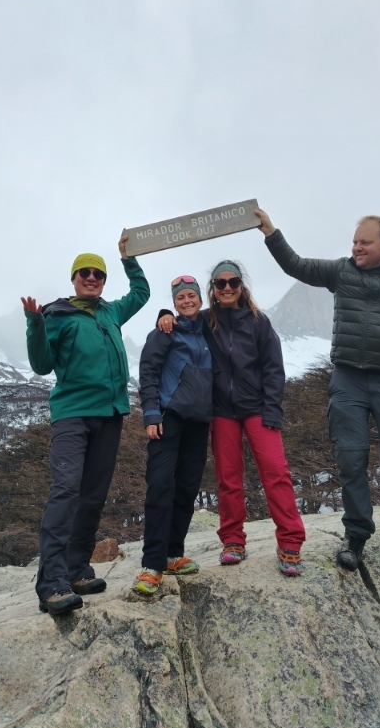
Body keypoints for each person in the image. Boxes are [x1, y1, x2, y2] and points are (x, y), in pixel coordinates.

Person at [253, 208, 380, 588]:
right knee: (351, 460)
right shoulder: (342, 271)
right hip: (347, 380)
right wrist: (271, 232)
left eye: (364, 243)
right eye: (354, 241)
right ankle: (356, 535)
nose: (356, 248)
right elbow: (296, 265)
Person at [22, 232, 150, 615]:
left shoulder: (111, 312)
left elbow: (141, 293)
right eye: (84, 273)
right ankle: (51, 583)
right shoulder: (57, 314)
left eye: (98, 274)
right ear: (74, 278)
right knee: (66, 490)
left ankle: (77, 570)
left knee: (93, 495)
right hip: (73, 414)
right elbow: (42, 364)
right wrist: (34, 325)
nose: (92, 278)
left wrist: (129, 260)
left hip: (110, 414)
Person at [159, 261, 306, 575]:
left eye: (233, 282)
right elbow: (181, 318)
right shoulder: (204, 320)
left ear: (242, 286)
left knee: (276, 473)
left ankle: (290, 541)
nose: (227, 288)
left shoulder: (258, 322)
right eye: (220, 283)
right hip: (222, 411)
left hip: (257, 409)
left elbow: (274, 370)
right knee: (228, 478)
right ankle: (233, 541)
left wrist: (273, 410)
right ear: (212, 289)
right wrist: (164, 315)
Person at [133, 276, 214, 597]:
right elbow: (148, 373)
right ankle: (152, 565)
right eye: (180, 298)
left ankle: (172, 555)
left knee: (187, 489)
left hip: (199, 422)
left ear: (200, 300)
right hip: (168, 419)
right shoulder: (164, 332)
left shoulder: (210, 330)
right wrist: (151, 414)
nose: (187, 301)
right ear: (175, 302)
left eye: (192, 296)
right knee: (161, 487)